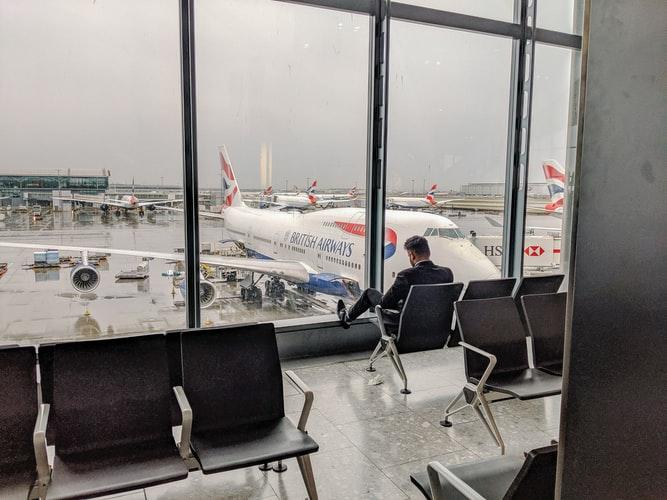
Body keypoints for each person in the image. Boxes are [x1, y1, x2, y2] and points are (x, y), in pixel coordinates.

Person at [337, 235, 453, 329]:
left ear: (412, 255)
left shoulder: (406, 275)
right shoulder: (447, 273)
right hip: (436, 326)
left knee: (369, 293)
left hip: (408, 326)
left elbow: (385, 303)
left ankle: (347, 317)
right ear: (428, 252)